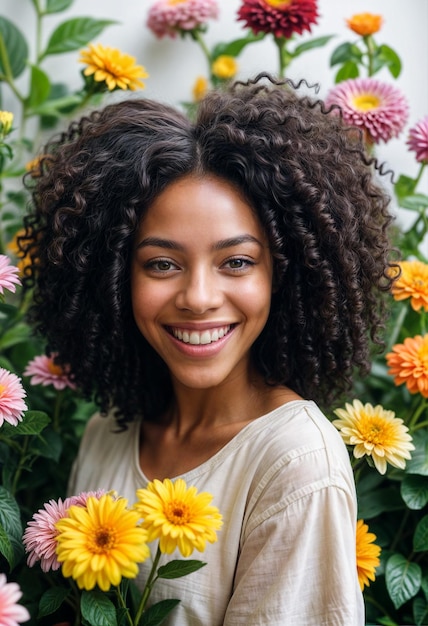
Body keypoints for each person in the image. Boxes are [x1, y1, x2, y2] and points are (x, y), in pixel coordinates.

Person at [21, 73, 394, 625]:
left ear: (287, 277)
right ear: (113, 278)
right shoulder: (109, 432)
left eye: (236, 262)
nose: (198, 298)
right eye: (162, 264)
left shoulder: (294, 462)